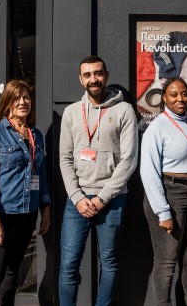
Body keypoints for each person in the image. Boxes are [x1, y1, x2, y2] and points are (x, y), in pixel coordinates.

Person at [59, 55, 138, 306]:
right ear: (81, 79)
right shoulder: (72, 113)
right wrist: (78, 198)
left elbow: (129, 160)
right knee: (69, 263)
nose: (94, 79)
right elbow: (65, 159)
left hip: (112, 200)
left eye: (98, 73)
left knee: (109, 261)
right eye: (88, 75)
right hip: (77, 202)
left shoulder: (124, 110)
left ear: (106, 75)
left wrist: (103, 198)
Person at [0, 79, 51, 306]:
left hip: (28, 214)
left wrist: (45, 209)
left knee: (12, 273)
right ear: (7, 102)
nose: (23, 102)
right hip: (2, 215)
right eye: (17, 97)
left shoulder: (35, 135)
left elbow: (41, 174)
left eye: (26, 97)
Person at [140, 77, 187, 306]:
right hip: (170, 194)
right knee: (166, 260)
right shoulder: (157, 127)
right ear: (164, 98)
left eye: (184, 94)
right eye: (174, 94)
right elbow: (149, 171)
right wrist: (163, 212)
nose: (180, 99)